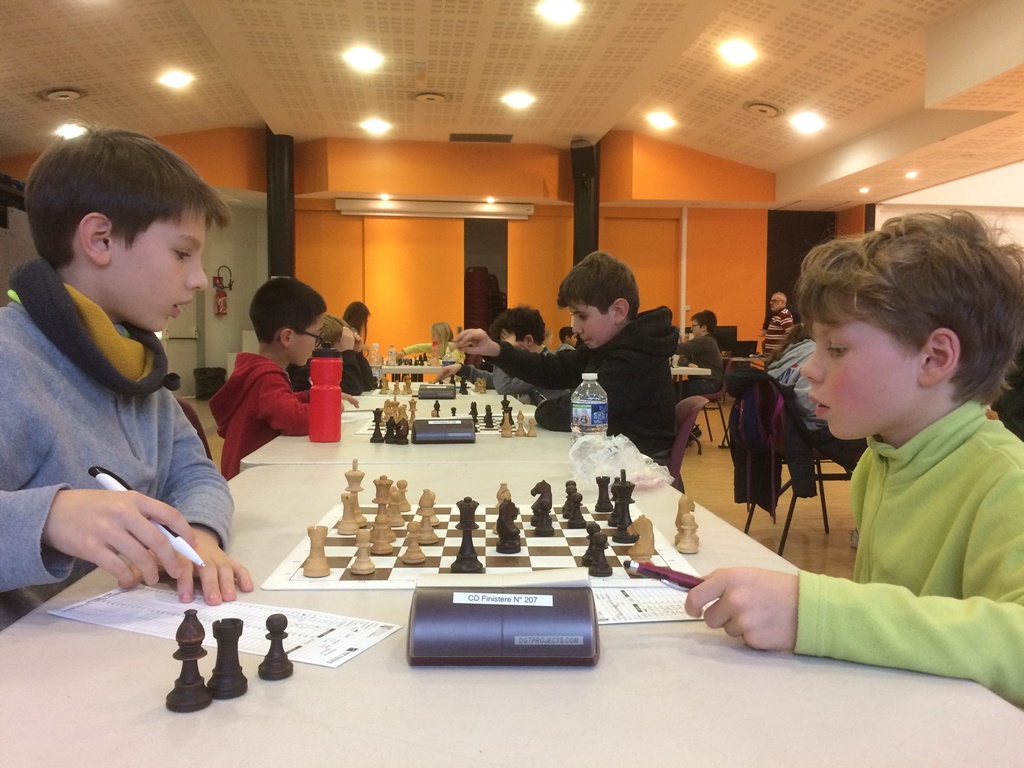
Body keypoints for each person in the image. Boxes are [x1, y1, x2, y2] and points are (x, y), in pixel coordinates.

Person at [685, 211, 1024, 707]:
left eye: (838, 348)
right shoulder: (878, 462)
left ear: (934, 358)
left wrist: (816, 612)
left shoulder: (1007, 482)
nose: (809, 368)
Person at [0, 125, 253, 630]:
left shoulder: (136, 362)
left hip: (127, 632)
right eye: (182, 253)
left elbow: (196, 473)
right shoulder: (11, 358)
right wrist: (48, 517)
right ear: (101, 239)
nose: (199, 279)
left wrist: (198, 533)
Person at [454, 251, 678, 461]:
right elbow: (553, 369)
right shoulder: (608, 346)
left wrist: (541, 410)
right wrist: (495, 350)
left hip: (640, 471)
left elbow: (572, 413)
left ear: (618, 311)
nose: (575, 328)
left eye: (582, 316)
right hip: (610, 458)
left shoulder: (635, 359)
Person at [209, 277, 327, 480]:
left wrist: (311, 395)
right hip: (250, 484)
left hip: (250, 477)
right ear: (287, 337)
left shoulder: (256, 372)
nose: (318, 344)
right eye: (317, 337)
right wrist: (328, 408)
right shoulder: (266, 378)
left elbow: (281, 403)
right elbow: (295, 420)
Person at [437, 305, 568, 405]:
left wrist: (503, 352)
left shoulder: (543, 367)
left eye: (507, 344)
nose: (507, 350)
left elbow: (504, 387)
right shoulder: (530, 364)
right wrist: (462, 369)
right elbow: (496, 380)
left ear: (528, 340)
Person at [289, 313, 373, 397]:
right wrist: (348, 352)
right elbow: (352, 388)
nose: (343, 359)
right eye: (340, 354)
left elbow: (367, 384)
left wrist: (357, 352)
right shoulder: (308, 369)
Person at [675, 309, 723, 399]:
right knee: (673, 389)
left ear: (704, 327)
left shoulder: (704, 340)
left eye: (694, 325)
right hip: (705, 382)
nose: (691, 328)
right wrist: (688, 364)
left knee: (671, 390)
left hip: (708, 383)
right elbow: (681, 359)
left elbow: (678, 349)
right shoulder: (703, 342)